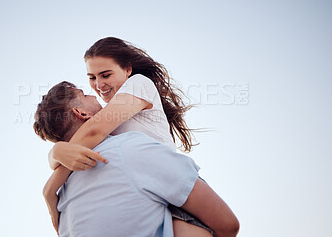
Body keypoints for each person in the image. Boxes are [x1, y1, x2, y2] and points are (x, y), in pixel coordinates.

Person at [34, 37, 238, 236]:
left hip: (171, 188)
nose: (98, 86)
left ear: (128, 70)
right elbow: (88, 136)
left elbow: (93, 131)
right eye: (92, 77)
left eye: (106, 75)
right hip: (155, 191)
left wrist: (51, 185)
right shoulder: (106, 116)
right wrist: (56, 152)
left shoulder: (139, 84)